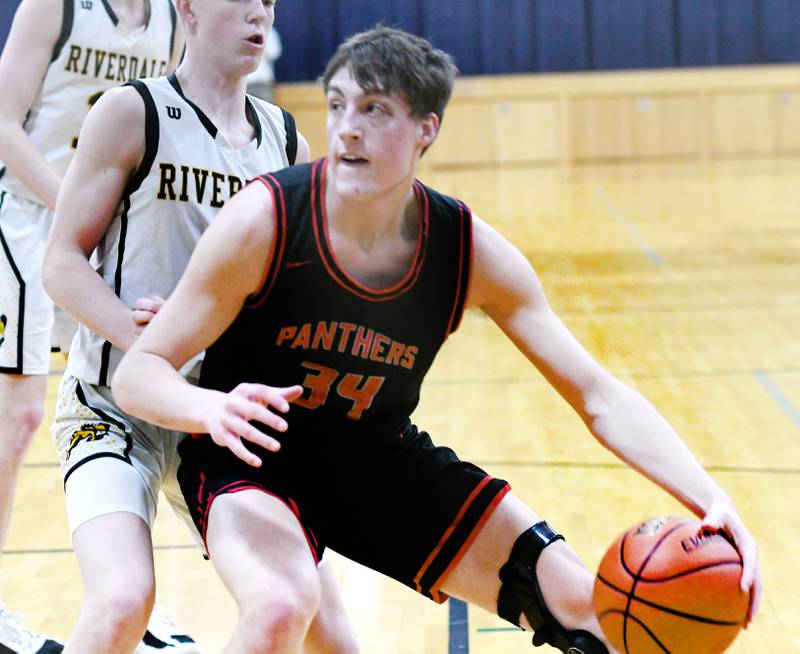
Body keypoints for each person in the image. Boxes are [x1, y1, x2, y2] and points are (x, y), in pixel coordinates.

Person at [111, 26, 762, 654]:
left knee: (588, 609)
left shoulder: (465, 249)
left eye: (375, 108)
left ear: (427, 128)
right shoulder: (267, 219)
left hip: (376, 464)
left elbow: (600, 397)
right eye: (338, 105)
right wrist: (210, 409)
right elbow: (138, 374)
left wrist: (710, 499)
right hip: (253, 463)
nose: (349, 128)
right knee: (281, 608)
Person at [42, 0, 358, 652]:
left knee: (319, 619)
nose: (258, 13)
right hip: (114, 406)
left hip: (219, 419)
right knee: (124, 600)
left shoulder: (284, 140)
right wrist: (153, 343)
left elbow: (292, 297)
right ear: (186, 7)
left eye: (268, 2)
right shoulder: (133, 112)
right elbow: (61, 265)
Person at [0, 0, 193, 651]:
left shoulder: (171, 18)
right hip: (27, 218)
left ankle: (137, 603)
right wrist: (78, 207)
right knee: (17, 412)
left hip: (109, 236)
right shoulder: (52, 6)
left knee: (131, 397)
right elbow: (0, 122)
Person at [246, 28, 281, 102]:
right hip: (243, 83)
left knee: (267, 111)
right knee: (243, 112)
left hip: (262, 82)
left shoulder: (268, 31)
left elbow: (274, 53)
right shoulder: (237, 29)